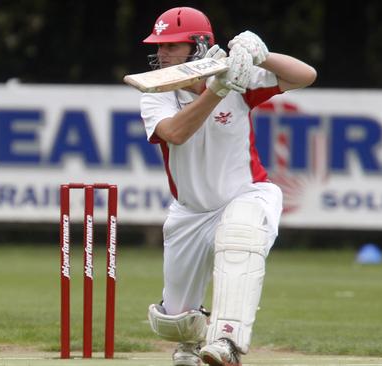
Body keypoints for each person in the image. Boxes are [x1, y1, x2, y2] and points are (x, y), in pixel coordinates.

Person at [139, 6, 317, 366]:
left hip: (247, 194)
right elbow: (175, 133)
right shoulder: (156, 93)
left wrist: (262, 55)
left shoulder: (239, 76)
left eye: (173, 45)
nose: (163, 54)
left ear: (200, 46)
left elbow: (305, 75)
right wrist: (216, 91)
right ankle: (191, 342)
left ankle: (228, 342)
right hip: (190, 212)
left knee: (240, 238)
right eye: (160, 46)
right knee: (175, 319)